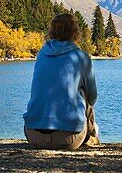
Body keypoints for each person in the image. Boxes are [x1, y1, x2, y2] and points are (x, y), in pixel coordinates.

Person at [23, 13, 99, 150]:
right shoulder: (81, 57)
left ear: (51, 31)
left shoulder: (41, 54)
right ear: (75, 32)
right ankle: (92, 136)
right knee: (83, 91)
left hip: (34, 136)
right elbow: (92, 98)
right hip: (68, 139)